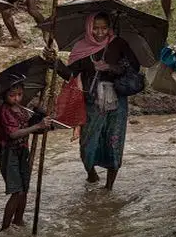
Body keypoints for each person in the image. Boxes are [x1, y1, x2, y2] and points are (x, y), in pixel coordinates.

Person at [55, 12, 140, 189]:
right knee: (87, 143)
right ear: (88, 28)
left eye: (104, 28)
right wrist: (53, 62)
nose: (100, 32)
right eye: (96, 28)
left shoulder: (119, 44)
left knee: (114, 142)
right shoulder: (81, 48)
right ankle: (91, 175)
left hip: (116, 101)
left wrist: (111, 67)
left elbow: (134, 66)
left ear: (109, 28)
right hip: (91, 102)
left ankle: (109, 187)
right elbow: (70, 74)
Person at [0, 80, 51, 231]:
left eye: (19, 95)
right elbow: (13, 134)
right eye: (12, 95)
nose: (17, 99)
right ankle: (5, 229)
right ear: (5, 95)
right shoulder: (3, 111)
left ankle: (18, 221)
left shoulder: (23, 110)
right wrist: (37, 126)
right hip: (8, 153)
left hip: (22, 151)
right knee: (16, 191)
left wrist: (40, 118)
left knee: (24, 189)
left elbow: (31, 128)